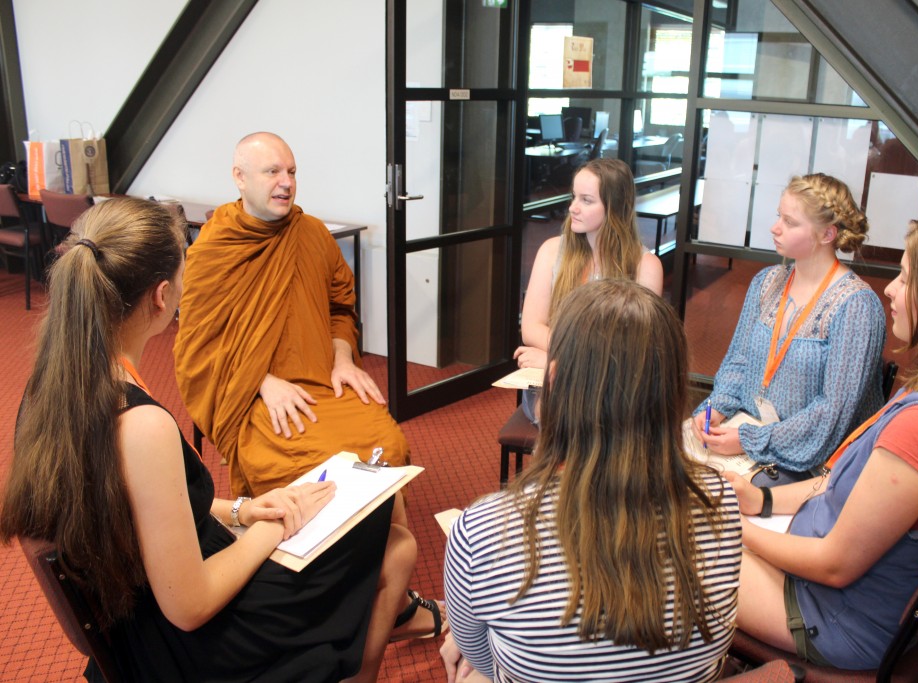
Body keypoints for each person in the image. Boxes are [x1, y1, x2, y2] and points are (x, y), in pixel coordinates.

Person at [0, 198, 417, 682]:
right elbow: (190, 607)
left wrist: (244, 510)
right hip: (190, 644)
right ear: (162, 296)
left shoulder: (52, 384)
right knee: (388, 531)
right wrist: (274, 528)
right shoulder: (141, 424)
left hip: (134, 610)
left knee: (385, 531)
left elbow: (137, 501)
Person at [174, 132, 442, 640]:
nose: (286, 183)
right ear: (239, 178)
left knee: (383, 441)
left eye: (291, 172)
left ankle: (388, 591)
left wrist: (343, 356)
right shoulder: (214, 249)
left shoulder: (312, 234)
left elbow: (342, 305)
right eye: (272, 172)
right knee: (307, 469)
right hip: (252, 397)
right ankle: (337, 606)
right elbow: (196, 350)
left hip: (322, 382)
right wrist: (261, 382)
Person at [731, 210, 918, 670]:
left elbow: (834, 563)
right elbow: (841, 491)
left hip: (829, 613)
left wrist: (732, 528)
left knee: (666, 546)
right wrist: (761, 503)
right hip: (849, 592)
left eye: (905, 279)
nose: (889, 288)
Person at [442, 279, 742, 683]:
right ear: (671, 388)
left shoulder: (482, 530)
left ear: (555, 379)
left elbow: (478, 651)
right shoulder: (718, 499)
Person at [692, 173, 886, 484]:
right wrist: (713, 410)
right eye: (778, 216)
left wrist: (749, 440)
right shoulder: (767, 282)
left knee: (712, 493)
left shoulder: (856, 307)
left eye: (790, 222)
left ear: (827, 235)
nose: (775, 227)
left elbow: (831, 416)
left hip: (814, 460)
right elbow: (739, 362)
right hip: (751, 428)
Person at [513, 157, 663, 373]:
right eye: (574, 197)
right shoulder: (551, 251)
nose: (573, 208)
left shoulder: (646, 266)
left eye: (587, 200)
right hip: (553, 389)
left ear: (615, 207)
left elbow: (634, 350)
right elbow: (531, 329)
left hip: (609, 391)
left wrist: (558, 365)